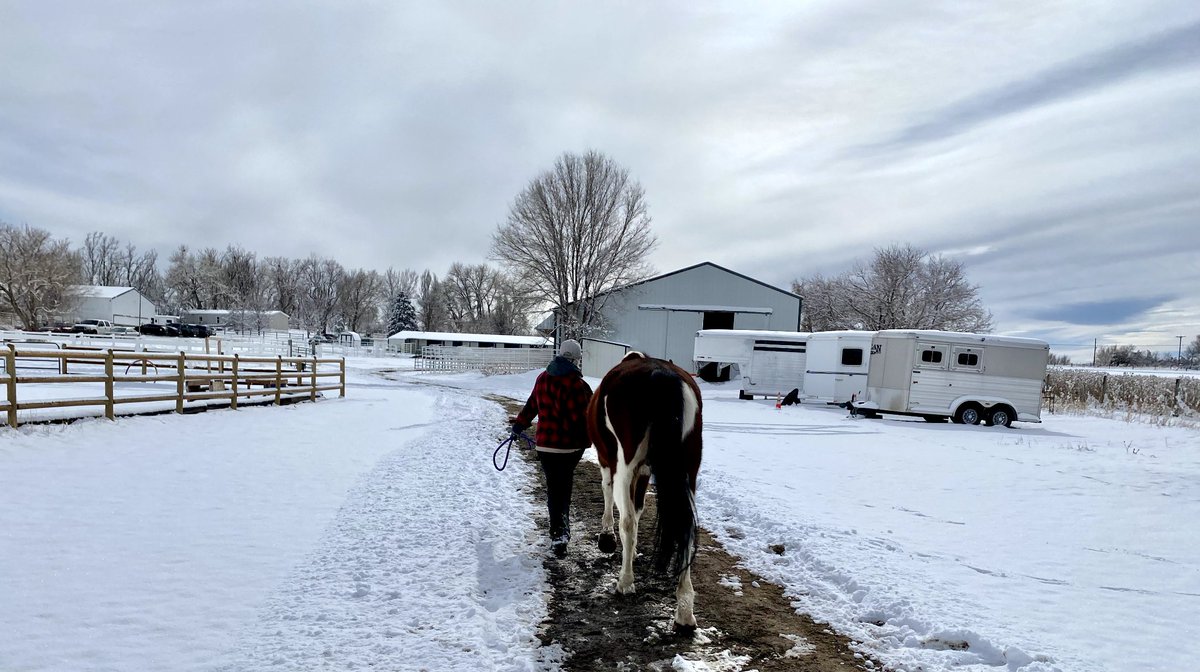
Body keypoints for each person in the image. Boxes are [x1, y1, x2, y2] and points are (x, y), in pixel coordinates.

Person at [511, 339, 593, 558]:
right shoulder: (577, 385)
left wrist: (519, 426)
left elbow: (531, 406)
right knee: (563, 488)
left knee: (554, 488)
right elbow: (584, 418)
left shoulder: (543, 378)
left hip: (546, 447)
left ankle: (557, 533)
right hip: (569, 448)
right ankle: (560, 535)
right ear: (576, 359)